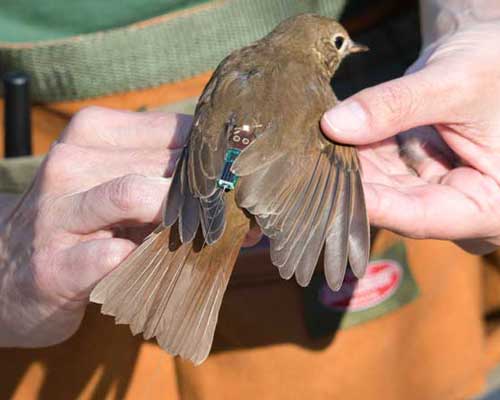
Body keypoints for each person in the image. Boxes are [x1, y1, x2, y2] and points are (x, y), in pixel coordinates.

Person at [0, 0, 499, 399]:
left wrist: (477, 21)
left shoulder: (237, 62)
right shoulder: (324, 106)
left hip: (187, 171)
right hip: (50, 147)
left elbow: (209, 136)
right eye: (340, 46)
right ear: (323, 51)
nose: (346, 50)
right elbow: (325, 178)